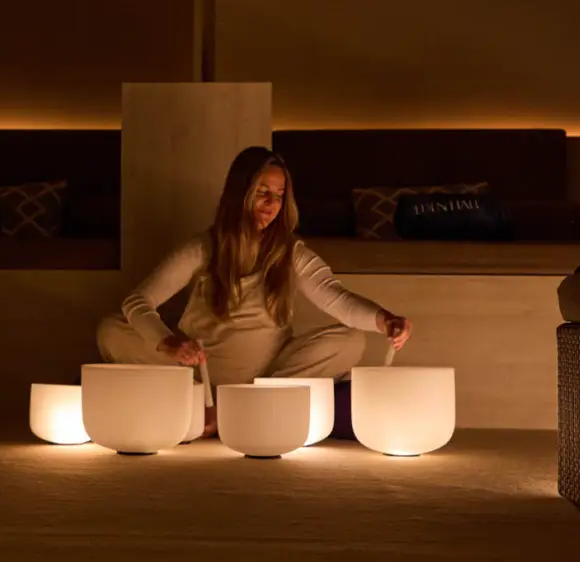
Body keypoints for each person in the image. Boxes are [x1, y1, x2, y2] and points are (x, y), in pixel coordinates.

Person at [96, 146, 412, 436]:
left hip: (266, 376)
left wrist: (384, 320)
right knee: (110, 330)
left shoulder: (291, 252)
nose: (271, 204)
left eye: (278, 195)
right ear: (240, 194)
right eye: (262, 192)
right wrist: (168, 344)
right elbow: (137, 300)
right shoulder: (204, 247)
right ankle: (210, 408)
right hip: (195, 373)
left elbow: (336, 298)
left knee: (350, 340)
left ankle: (241, 408)